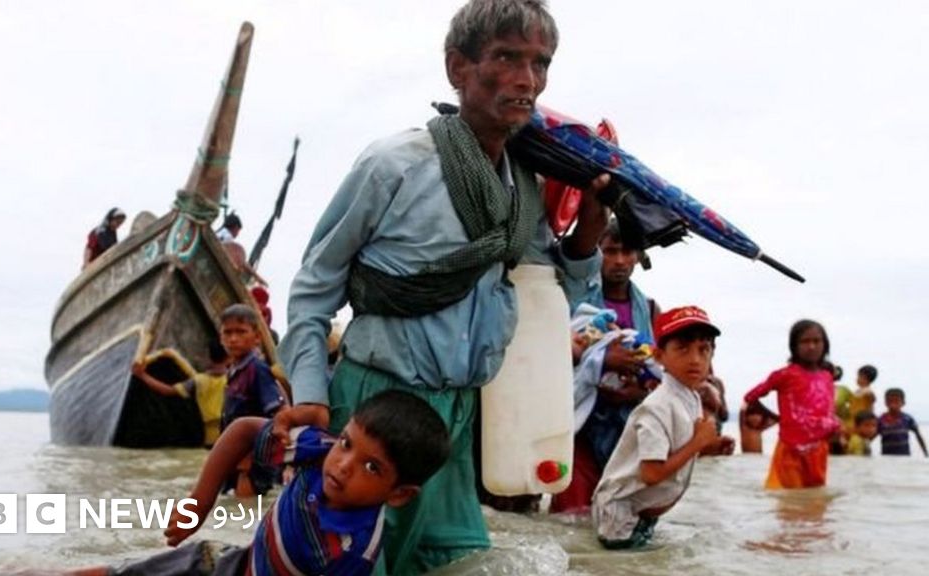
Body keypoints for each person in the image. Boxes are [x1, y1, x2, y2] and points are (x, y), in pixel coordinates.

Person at [277, 1, 612, 572]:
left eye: (539, 63)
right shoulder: (395, 165)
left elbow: (551, 296)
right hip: (375, 406)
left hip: (456, 418)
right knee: (350, 560)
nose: (527, 80)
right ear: (458, 66)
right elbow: (315, 285)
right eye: (506, 58)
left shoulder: (522, 190)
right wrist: (310, 392)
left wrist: (591, 227)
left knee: (456, 561)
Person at [20, 391, 451, 576]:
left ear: (399, 494)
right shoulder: (317, 451)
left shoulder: (353, 552)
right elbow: (244, 431)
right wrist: (198, 504)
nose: (344, 465)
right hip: (226, 564)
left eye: (371, 467)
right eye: (347, 443)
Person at [591, 306, 732, 549]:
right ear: (658, 356)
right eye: (683, 348)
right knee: (618, 563)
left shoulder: (690, 398)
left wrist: (708, 446)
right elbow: (652, 474)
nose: (695, 359)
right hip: (620, 514)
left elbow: (676, 450)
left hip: (643, 511)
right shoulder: (656, 407)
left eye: (703, 349)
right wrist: (698, 442)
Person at [552, 219, 659, 514]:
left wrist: (638, 392)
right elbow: (549, 356)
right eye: (610, 251)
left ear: (638, 256)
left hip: (626, 430)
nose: (620, 261)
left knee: (619, 515)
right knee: (570, 515)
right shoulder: (572, 302)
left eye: (627, 252)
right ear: (597, 253)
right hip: (578, 426)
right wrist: (603, 361)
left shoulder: (650, 309)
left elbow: (660, 371)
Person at [743, 319, 840, 489]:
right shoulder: (785, 375)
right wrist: (774, 417)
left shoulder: (827, 376)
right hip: (790, 449)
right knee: (790, 498)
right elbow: (751, 397)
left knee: (816, 498)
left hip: (818, 450)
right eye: (805, 341)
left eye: (817, 341)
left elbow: (828, 409)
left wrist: (834, 427)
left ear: (825, 345)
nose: (811, 346)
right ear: (794, 346)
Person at [219, 304, 287, 497]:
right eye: (228, 333)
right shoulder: (234, 371)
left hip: (251, 461)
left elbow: (278, 415)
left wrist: (250, 457)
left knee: (247, 506)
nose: (233, 339)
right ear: (220, 337)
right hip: (234, 457)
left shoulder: (256, 370)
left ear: (257, 337)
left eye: (241, 332)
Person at [132, 341, 230, 448]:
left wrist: (142, 375)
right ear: (228, 358)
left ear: (209, 358)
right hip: (230, 432)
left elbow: (168, 390)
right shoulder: (233, 377)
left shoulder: (198, 381)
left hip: (210, 438)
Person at [878, 388, 928, 457]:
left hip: (904, 457)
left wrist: (926, 454)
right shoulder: (880, 420)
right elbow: (871, 435)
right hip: (886, 457)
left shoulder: (908, 419)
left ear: (903, 403)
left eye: (896, 401)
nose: (893, 404)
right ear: (885, 403)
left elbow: (918, 436)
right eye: (890, 401)